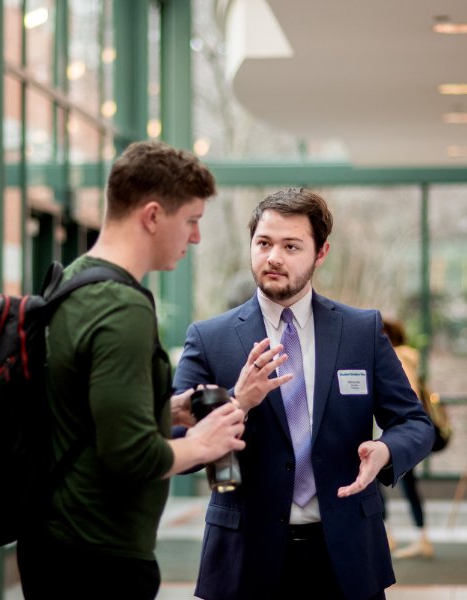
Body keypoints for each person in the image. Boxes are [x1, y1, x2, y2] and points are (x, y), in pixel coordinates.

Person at [173, 188, 435, 600]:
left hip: (346, 555)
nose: (273, 257)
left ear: (321, 252)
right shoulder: (210, 339)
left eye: (291, 246)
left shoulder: (361, 331)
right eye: (263, 243)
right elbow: (175, 441)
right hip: (245, 558)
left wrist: (385, 451)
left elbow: (415, 423)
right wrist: (238, 402)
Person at [16, 140, 247, 600]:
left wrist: (168, 411)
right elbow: (130, 455)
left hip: (55, 544)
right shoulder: (123, 308)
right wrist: (203, 444)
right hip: (97, 560)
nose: (196, 238)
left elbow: (81, 408)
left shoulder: (72, 280)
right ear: (153, 216)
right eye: (192, 221)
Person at [381, 318, 435, 559]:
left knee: (384, 483)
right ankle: (419, 537)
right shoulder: (408, 356)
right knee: (409, 485)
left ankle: (392, 535)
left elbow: (407, 397)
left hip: (398, 433)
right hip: (408, 434)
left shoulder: (397, 358)